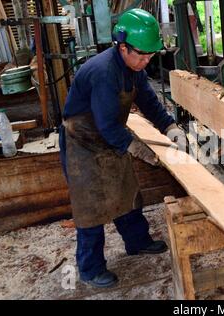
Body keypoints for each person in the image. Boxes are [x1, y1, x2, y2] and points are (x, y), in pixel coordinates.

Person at [59, 8, 186, 288]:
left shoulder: (133, 68)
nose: (145, 61)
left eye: (150, 56)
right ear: (122, 46)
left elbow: (150, 102)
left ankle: (137, 241)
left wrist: (169, 127)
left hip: (109, 136)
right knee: (90, 208)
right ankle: (90, 269)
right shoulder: (104, 72)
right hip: (84, 142)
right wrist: (140, 149)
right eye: (140, 55)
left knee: (127, 191)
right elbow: (107, 126)